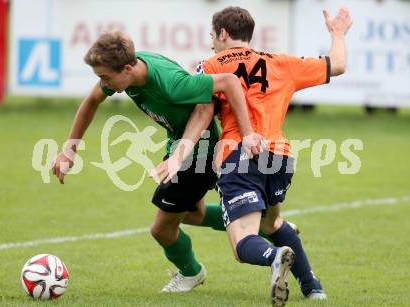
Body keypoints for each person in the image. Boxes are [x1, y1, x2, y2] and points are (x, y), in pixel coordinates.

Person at [156, 6, 352, 306]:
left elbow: (203, 111)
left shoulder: (210, 65)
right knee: (272, 224)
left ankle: (275, 256)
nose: (211, 43)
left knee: (242, 243)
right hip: (281, 157)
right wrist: (337, 33)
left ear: (223, 33)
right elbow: (337, 65)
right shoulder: (281, 63)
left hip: (240, 155)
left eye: (213, 35)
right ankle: (313, 287)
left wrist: (180, 152)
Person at [51, 31, 267, 293]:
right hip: (180, 146)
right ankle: (260, 227)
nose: (103, 83)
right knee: (192, 214)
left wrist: (245, 135)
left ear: (128, 68)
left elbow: (223, 88)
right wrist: (69, 150)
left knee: (161, 230)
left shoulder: (170, 83)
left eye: (105, 77)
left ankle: (191, 272)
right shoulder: (124, 73)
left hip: (200, 152)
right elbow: (91, 101)